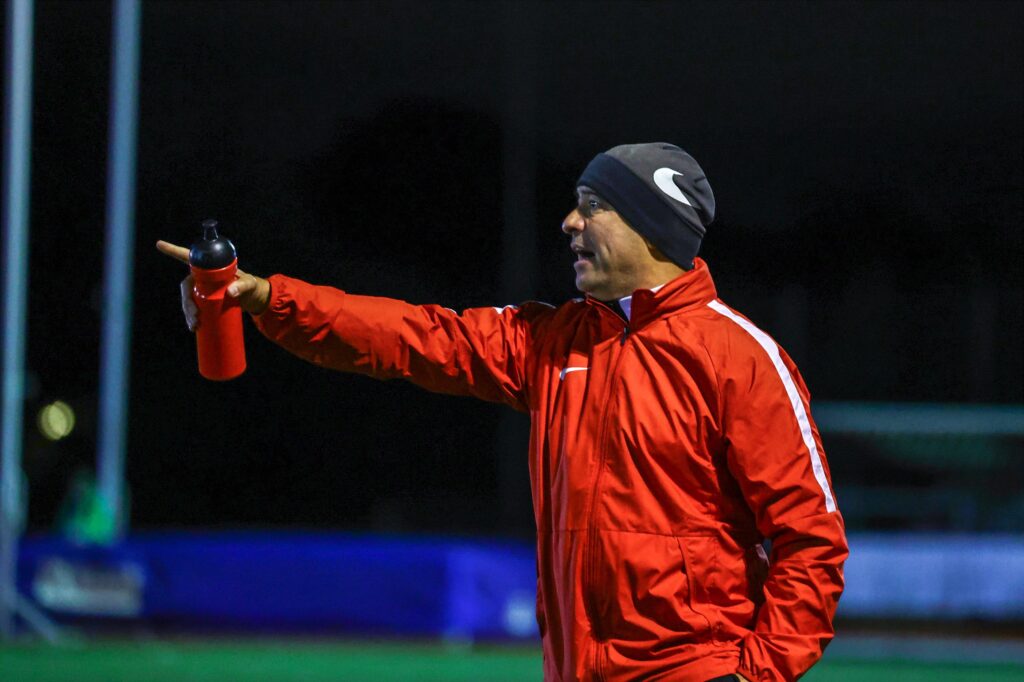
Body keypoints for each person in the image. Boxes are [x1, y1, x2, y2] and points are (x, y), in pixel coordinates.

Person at [158, 142, 847, 682]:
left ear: (653, 227)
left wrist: (755, 675)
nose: (570, 222)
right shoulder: (552, 342)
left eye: (593, 205)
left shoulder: (741, 356)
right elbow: (410, 337)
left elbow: (811, 540)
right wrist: (270, 297)